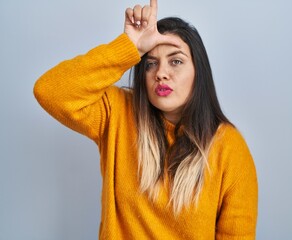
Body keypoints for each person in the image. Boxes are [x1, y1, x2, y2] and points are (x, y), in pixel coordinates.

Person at [34, 0, 258, 239]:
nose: (161, 73)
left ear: (198, 72)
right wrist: (129, 47)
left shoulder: (229, 147)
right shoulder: (118, 113)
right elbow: (49, 91)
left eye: (176, 61)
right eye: (151, 63)